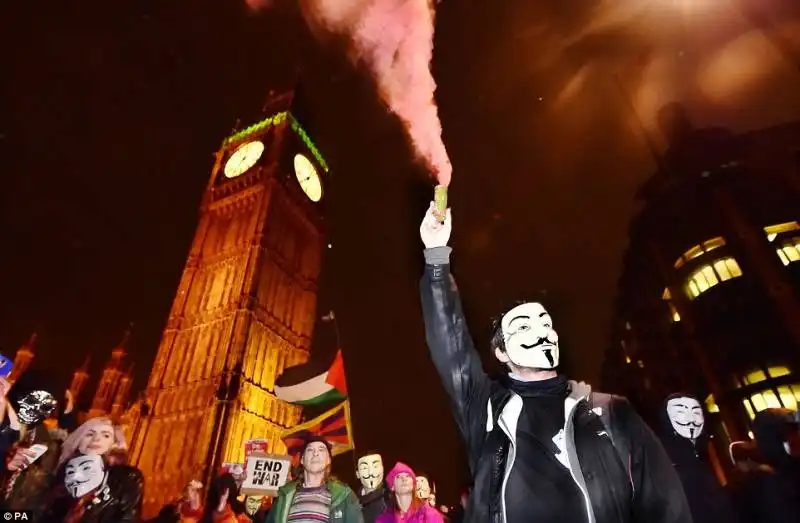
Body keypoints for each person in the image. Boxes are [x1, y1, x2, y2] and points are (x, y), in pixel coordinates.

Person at [418, 201, 692, 523]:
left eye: (546, 324)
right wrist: (437, 257)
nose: (543, 333)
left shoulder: (611, 412)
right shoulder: (486, 409)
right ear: (502, 353)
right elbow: (451, 344)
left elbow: (663, 502)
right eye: (524, 327)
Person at [658, 393, 738, 523]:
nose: (691, 419)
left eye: (696, 412)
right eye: (680, 412)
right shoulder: (668, 462)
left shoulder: (703, 452)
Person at [264, 436, 362, 523]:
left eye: (321, 449)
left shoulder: (344, 496)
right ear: (302, 460)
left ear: (329, 460)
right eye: (310, 450)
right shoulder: (284, 496)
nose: (315, 453)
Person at [40, 452, 144, 522]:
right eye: (71, 471)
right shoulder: (63, 497)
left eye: (86, 468)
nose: (76, 476)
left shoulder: (125, 481)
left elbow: (128, 518)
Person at [375, 463, 443, 523]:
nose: (404, 479)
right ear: (392, 486)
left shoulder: (430, 514)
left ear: (413, 485)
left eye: (408, 476)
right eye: (398, 477)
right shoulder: (383, 520)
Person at [356, 453, 388, 523]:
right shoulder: (352, 502)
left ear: (382, 469)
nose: (370, 472)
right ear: (357, 474)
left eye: (375, 466)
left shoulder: (390, 500)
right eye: (364, 468)